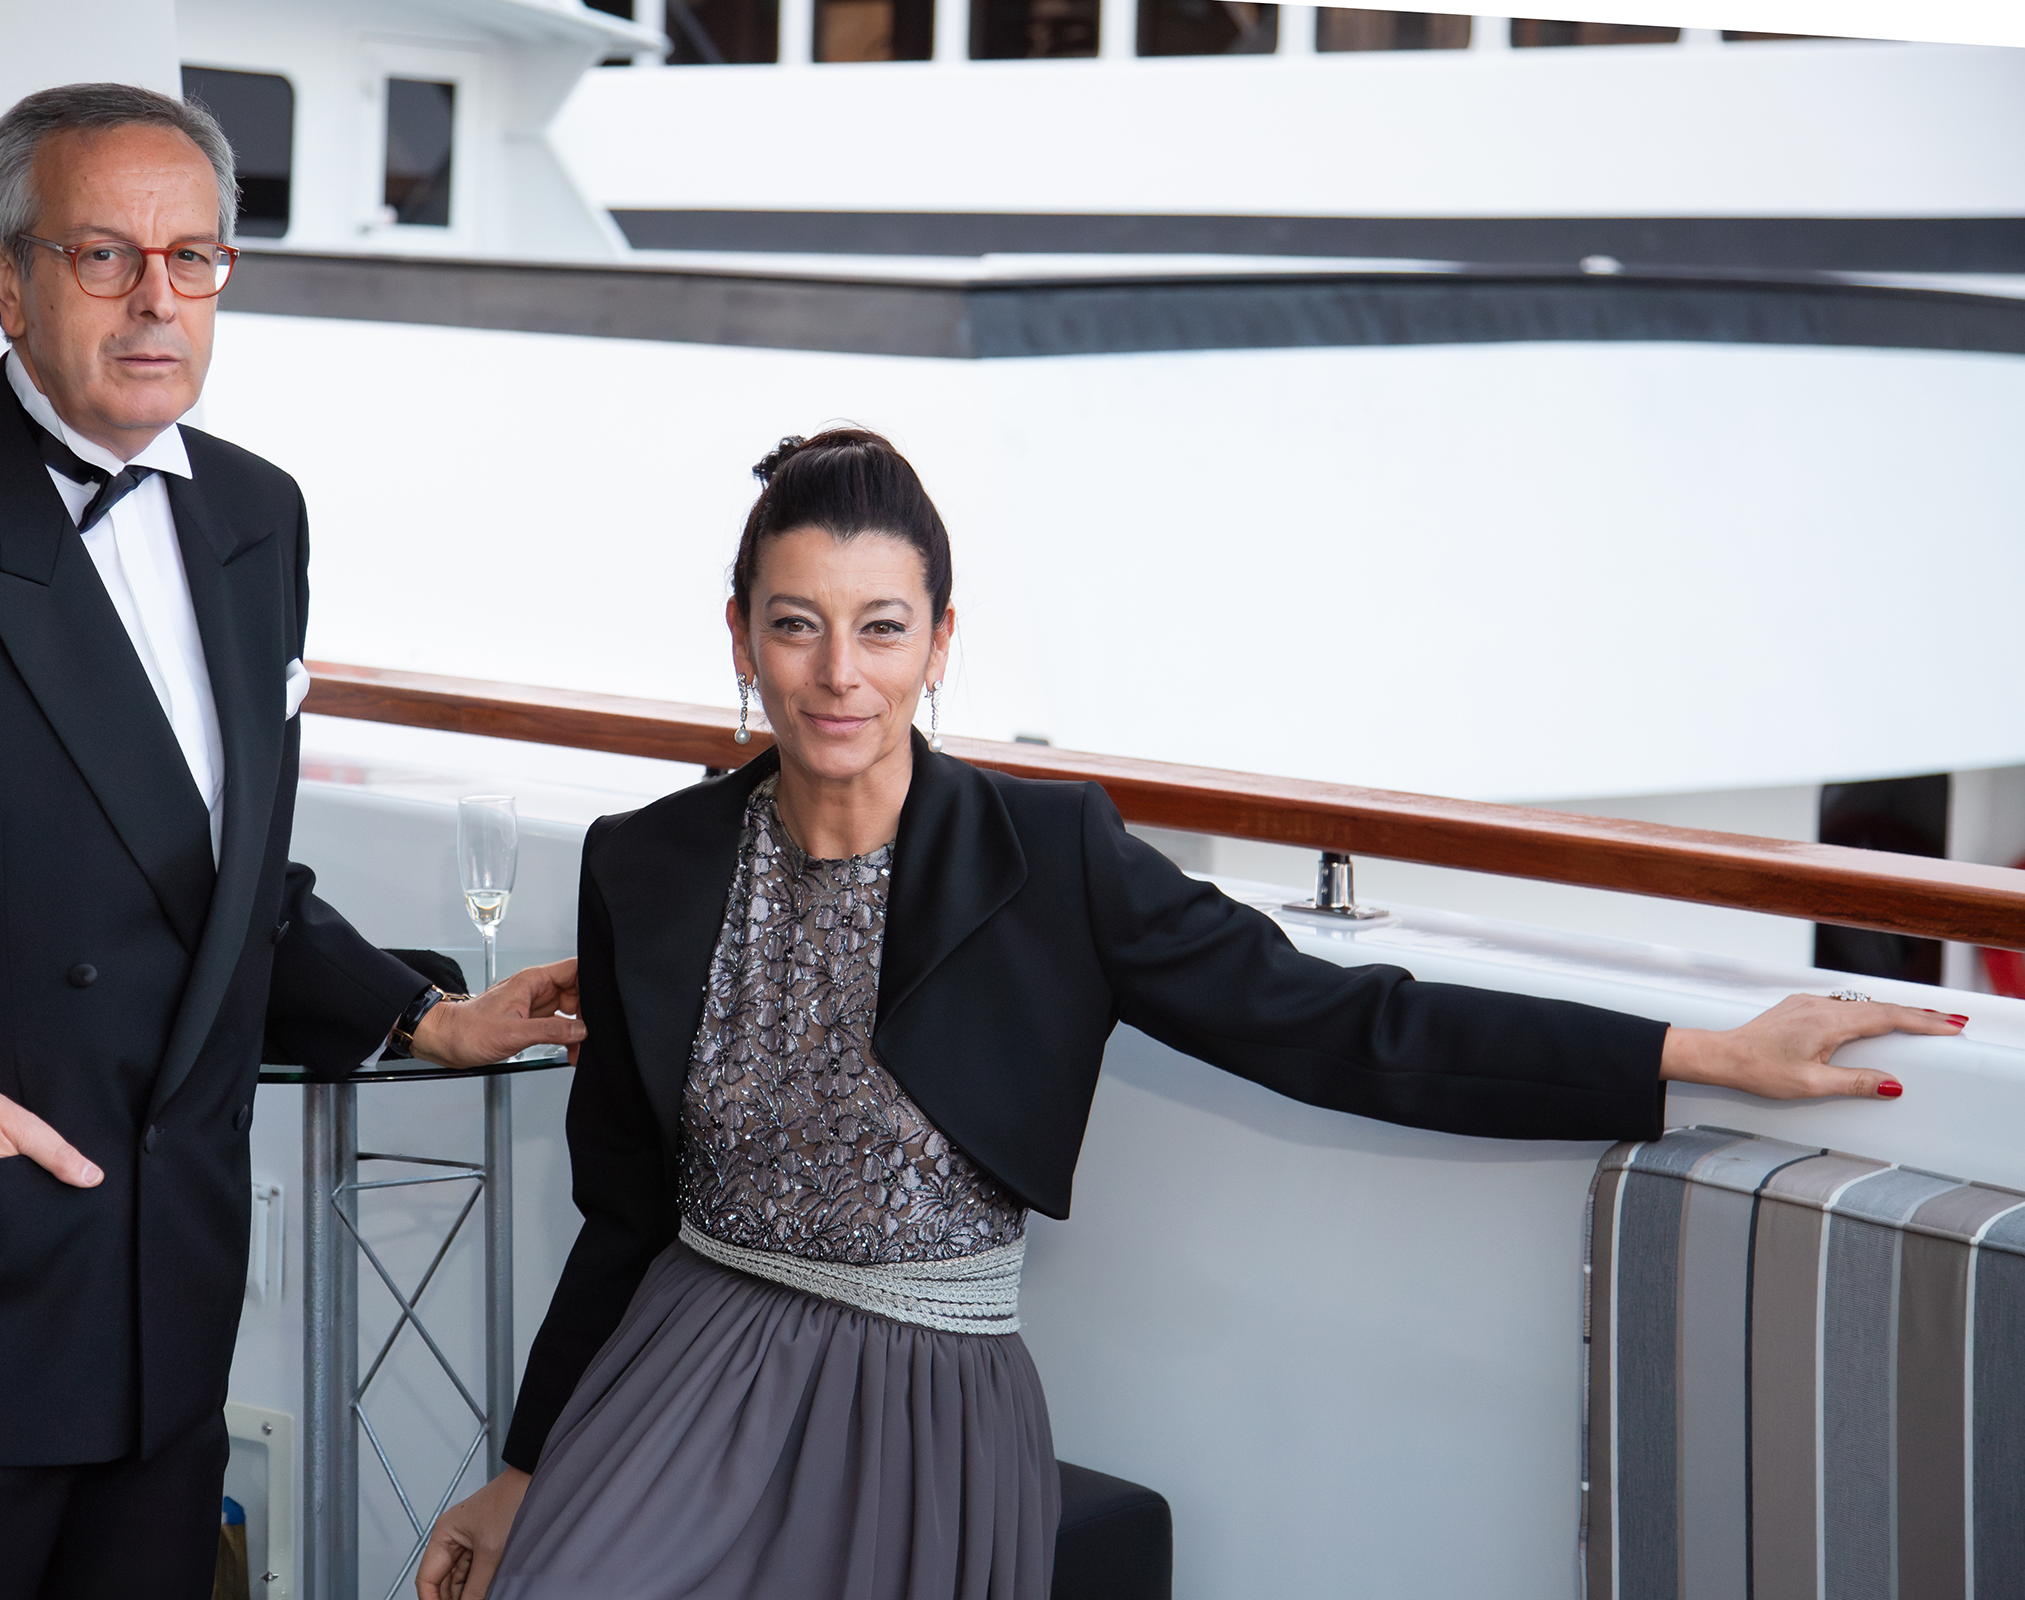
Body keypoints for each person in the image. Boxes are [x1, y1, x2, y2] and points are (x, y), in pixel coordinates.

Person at [414, 428, 1961, 1600]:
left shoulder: (1054, 857)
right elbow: (622, 1209)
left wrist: (1693, 1054)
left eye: (881, 626)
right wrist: (528, 1468)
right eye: (797, 624)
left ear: (941, 642)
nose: (840, 674)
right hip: (694, 1358)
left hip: (928, 1400)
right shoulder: (653, 862)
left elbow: (1339, 1027)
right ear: (741, 635)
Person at [0, 84, 582, 1598]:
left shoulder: (262, 519)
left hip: (164, 1345)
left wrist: (423, 1017)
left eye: (194, 258)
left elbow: (213, 885)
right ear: (6, 278)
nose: (158, 303)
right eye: (102, 258)